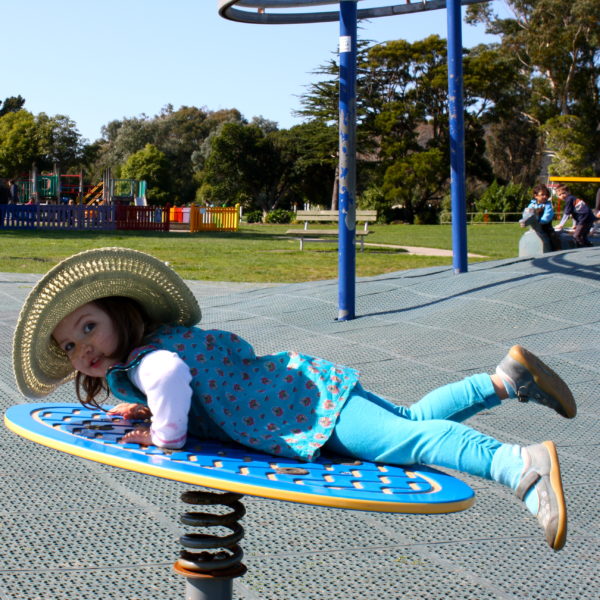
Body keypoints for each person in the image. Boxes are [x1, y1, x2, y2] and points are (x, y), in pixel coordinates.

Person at [12, 248, 577, 551]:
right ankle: (506, 379)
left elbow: (170, 380)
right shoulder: (143, 357)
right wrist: (142, 406)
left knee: (405, 442)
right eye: (68, 344)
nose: (80, 348)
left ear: (119, 314)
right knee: (407, 421)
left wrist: (164, 433)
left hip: (303, 412)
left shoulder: (149, 359)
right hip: (302, 388)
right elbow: (170, 384)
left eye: (87, 327)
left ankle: (519, 467)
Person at [524, 184, 561, 251]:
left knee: (552, 235)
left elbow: (548, 214)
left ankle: (557, 249)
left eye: (546, 195)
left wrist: (542, 222)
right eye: (542, 194)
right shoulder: (532, 205)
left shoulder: (547, 205)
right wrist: (525, 218)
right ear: (536, 196)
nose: (545, 196)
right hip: (534, 226)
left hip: (545, 226)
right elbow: (527, 212)